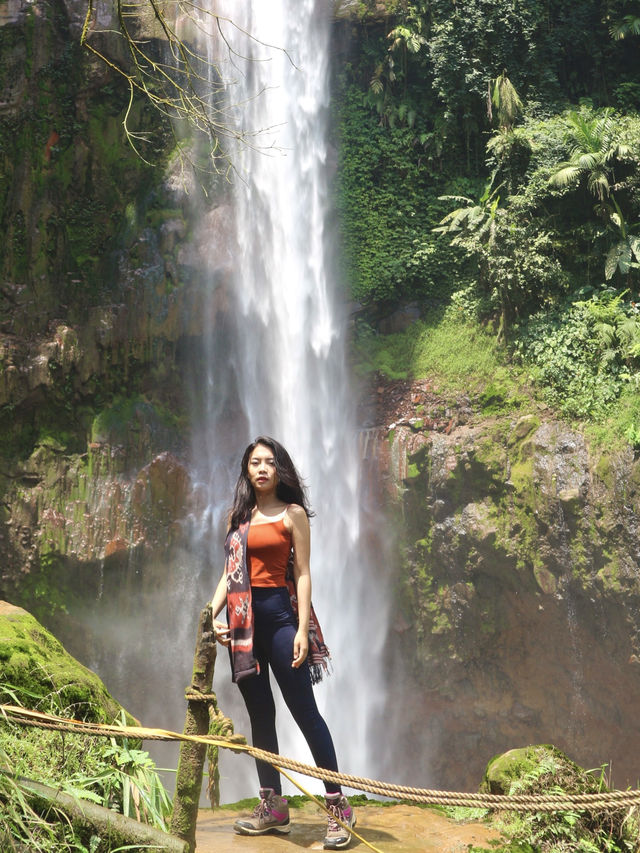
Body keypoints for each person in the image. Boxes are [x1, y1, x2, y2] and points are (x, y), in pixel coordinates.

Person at [209, 436, 356, 850]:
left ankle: (337, 804)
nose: (261, 469)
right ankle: (273, 806)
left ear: (279, 469)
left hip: (280, 621)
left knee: (306, 713)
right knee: (260, 714)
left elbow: (303, 573)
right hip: (243, 625)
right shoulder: (237, 519)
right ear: (246, 469)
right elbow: (229, 573)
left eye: (268, 462)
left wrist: (302, 629)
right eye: (254, 462)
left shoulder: (293, 515)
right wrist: (209, 614)